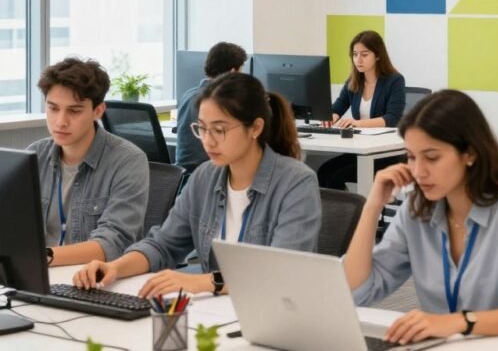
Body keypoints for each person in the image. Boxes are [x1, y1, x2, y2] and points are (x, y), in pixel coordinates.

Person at [72, 72, 321, 298]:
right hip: (216, 313)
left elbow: (282, 272)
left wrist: (203, 283)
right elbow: (163, 245)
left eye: (219, 130)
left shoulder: (296, 183)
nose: (208, 142)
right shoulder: (205, 177)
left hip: (272, 312)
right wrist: (114, 267)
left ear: (255, 127)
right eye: (201, 129)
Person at [345, 89, 498, 345]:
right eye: (411, 157)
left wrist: (459, 322)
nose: (418, 171)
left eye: (431, 157)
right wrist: (372, 207)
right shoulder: (417, 210)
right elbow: (356, 291)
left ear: (469, 153)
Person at [28, 57, 149, 267]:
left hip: (95, 280)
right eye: (53, 108)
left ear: (98, 111)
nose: (61, 121)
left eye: (74, 111)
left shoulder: (127, 161)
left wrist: (41, 257)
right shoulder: (35, 155)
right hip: (39, 275)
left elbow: (113, 242)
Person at [318, 30, 406, 190]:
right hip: (361, 149)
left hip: (385, 153)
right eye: (355, 54)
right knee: (323, 172)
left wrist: (357, 123)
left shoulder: (395, 81)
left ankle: (349, 213)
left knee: (336, 177)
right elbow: (338, 107)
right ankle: (339, 213)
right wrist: (329, 117)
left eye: (364, 55)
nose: (358, 59)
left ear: (377, 55)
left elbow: (391, 118)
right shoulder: (354, 81)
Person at [174, 42, 247, 175]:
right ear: (232, 72)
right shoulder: (223, 102)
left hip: (183, 176)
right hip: (210, 175)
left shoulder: (188, 95)